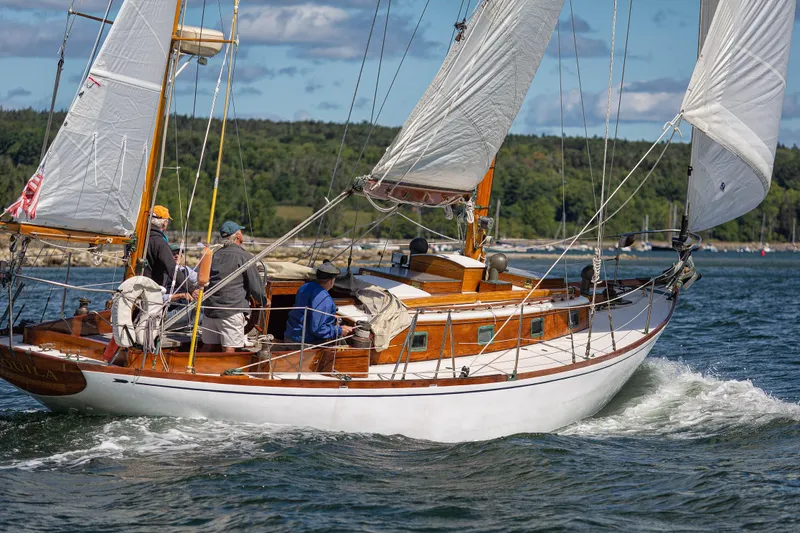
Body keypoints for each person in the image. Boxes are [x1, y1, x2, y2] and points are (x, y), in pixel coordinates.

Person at [202, 221, 267, 352]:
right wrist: (263, 300)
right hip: (231, 310)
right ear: (237, 236)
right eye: (241, 232)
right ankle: (229, 371)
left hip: (210, 310)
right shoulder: (244, 257)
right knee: (229, 349)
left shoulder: (214, 255)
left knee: (209, 346)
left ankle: (196, 369)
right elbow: (255, 287)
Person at [284, 262, 353, 345]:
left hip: (290, 336)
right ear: (331, 281)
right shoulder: (324, 299)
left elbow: (307, 312)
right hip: (304, 344)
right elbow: (318, 329)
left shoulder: (304, 287)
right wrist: (340, 330)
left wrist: (330, 316)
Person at [144, 205, 176, 289]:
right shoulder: (159, 242)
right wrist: (191, 288)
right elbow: (172, 268)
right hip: (151, 290)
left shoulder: (140, 238)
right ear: (164, 223)